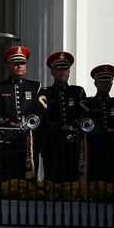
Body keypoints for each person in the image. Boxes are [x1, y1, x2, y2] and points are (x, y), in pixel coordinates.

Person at [0, 46, 47, 180]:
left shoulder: (35, 87)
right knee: (8, 182)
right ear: (7, 67)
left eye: (22, 63)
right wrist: (10, 124)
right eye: (15, 64)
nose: (19, 66)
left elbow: (42, 110)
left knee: (30, 182)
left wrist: (28, 124)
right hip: (6, 142)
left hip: (29, 142)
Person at [40, 51, 87, 182]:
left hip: (73, 145)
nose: (63, 72)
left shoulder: (78, 91)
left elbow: (83, 112)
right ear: (52, 72)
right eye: (59, 69)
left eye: (65, 69)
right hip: (52, 144)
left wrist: (72, 125)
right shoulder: (45, 92)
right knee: (52, 179)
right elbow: (42, 114)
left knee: (73, 179)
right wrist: (59, 126)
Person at [81, 65, 114, 184]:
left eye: (108, 82)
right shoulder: (88, 103)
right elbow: (85, 122)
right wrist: (104, 130)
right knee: (94, 182)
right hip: (95, 151)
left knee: (112, 182)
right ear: (95, 83)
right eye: (102, 82)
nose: (106, 84)